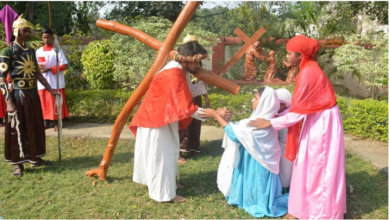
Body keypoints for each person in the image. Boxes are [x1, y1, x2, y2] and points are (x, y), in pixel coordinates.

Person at [248, 35, 346, 219]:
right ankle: (301, 209)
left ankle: (322, 213)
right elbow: (301, 107)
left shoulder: (309, 72)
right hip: (317, 119)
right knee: (307, 164)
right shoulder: (307, 69)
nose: (286, 56)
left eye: (289, 53)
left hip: (323, 124)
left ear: (299, 55)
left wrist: (271, 122)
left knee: (320, 166)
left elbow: (298, 111)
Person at [129, 37, 229, 203]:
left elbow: (186, 92)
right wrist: (215, 114)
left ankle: (164, 184)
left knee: (168, 153)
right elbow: (185, 107)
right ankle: (164, 194)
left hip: (159, 119)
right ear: (188, 59)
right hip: (156, 121)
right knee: (162, 156)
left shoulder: (179, 70)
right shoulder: (173, 73)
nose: (198, 67)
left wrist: (205, 80)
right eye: (196, 62)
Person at [199, 86, 289, 218]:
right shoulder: (264, 120)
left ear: (264, 102)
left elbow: (234, 134)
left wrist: (216, 116)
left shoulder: (261, 124)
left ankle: (256, 200)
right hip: (255, 162)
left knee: (257, 183)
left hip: (259, 165)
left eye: (256, 98)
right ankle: (250, 198)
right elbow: (240, 129)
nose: (252, 100)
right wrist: (227, 120)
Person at [0, 15, 58, 176]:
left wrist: (51, 90)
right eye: (25, 31)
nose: (28, 34)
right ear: (17, 31)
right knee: (18, 128)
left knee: (35, 126)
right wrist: (8, 101)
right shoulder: (8, 51)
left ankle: (35, 158)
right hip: (18, 95)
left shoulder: (31, 51)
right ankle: (18, 163)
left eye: (28, 31)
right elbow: (2, 77)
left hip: (33, 94)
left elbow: (37, 74)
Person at [36, 28, 69, 131]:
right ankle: (45, 122)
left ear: (52, 37)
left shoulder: (57, 50)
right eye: (44, 37)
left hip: (55, 81)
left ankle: (57, 122)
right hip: (42, 82)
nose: (46, 40)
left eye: (48, 37)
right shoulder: (38, 51)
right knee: (43, 102)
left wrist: (50, 69)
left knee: (55, 102)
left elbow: (64, 65)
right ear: (42, 38)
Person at [275, 88, 294, 192]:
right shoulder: (286, 114)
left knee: (285, 170)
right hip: (284, 146)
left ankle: (284, 189)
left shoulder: (287, 117)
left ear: (284, 104)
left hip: (286, 147)